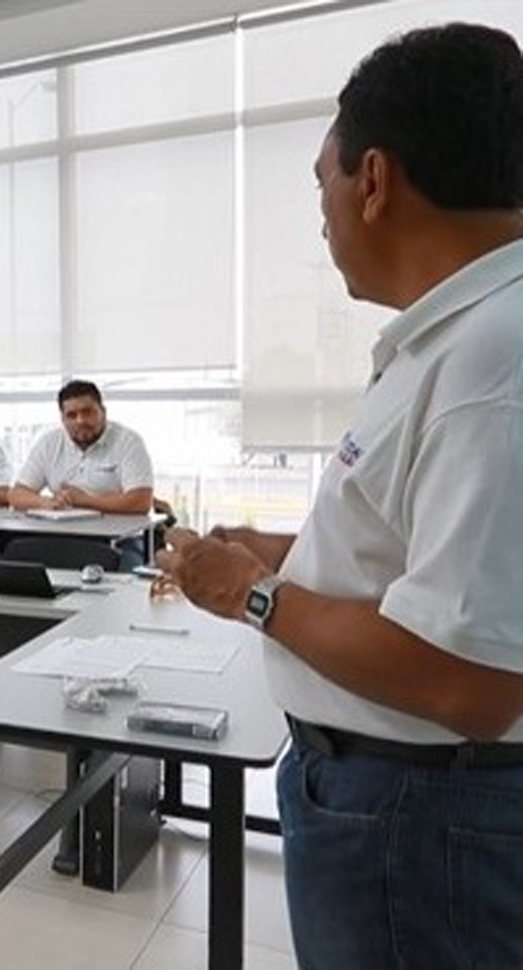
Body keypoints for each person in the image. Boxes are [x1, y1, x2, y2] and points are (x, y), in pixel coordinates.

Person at [158, 24, 523, 970]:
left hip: (419, 816)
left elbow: (469, 681)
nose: (321, 218)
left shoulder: (491, 362)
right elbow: (425, 557)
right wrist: (287, 554)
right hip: (397, 798)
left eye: (320, 182)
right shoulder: (453, 341)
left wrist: (253, 594)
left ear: (375, 180)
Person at [8, 380, 153, 568]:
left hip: (119, 541)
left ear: (103, 411)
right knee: (14, 557)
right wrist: (48, 502)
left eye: (87, 412)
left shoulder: (128, 441)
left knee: (127, 573)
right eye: (71, 415)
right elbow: (16, 495)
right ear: (63, 419)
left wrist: (84, 500)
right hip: (60, 537)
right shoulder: (49, 443)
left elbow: (140, 502)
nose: (80, 421)